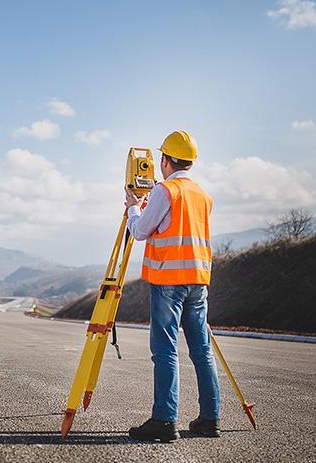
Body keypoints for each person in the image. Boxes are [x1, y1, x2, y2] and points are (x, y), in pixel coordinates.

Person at [124, 130, 220, 442]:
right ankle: (210, 418)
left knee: (165, 349)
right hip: (198, 281)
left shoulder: (167, 191)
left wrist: (133, 206)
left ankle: (165, 421)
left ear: (165, 160)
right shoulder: (202, 195)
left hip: (168, 282)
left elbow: (140, 231)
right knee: (202, 350)